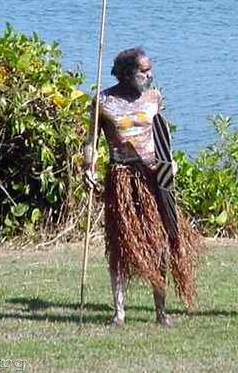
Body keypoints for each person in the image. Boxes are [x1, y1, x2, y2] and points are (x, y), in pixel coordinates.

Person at [84, 47, 199, 327]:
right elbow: (91, 141)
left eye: (150, 70)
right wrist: (88, 167)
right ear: (126, 74)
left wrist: (170, 164)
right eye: (143, 72)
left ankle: (161, 311)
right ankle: (119, 313)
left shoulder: (153, 97)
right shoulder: (103, 101)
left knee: (160, 242)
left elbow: (162, 133)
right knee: (121, 244)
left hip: (153, 177)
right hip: (121, 176)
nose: (149, 76)